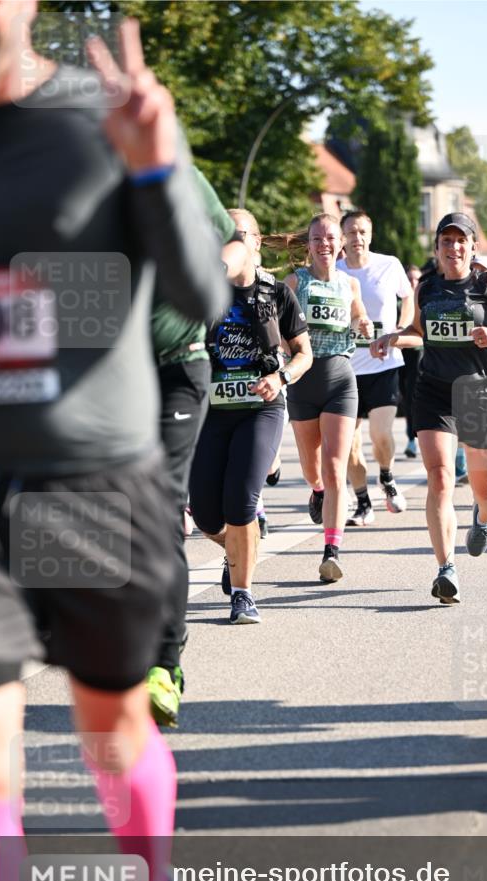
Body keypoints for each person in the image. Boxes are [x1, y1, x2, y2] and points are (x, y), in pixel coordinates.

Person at [0, 7, 228, 881]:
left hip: (87, 479)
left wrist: (156, 169)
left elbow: (205, 297)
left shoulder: (104, 113)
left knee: (113, 731)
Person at [371, 213, 487, 604]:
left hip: (480, 394)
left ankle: (483, 518)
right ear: (438, 249)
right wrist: (394, 338)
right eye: (446, 241)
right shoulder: (426, 289)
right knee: (441, 478)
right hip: (435, 391)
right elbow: (418, 334)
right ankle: (446, 568)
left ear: (473, 247)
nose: (454, 247)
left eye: (461, 240)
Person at [146, 169, 248, 727]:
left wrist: (214, 271)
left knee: (161, 505)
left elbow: (232, 240)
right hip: (102, 370)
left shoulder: (167, 167)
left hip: (178, 365)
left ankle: (165, 662)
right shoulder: (44, 168)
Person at [188, 209, 312, 623]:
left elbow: (303, 354)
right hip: (212, 412)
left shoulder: (277, 293)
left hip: (261, 409)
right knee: (206, 514)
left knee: (240, 503)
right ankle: (240, 550)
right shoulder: (204, 292)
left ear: (256, 243)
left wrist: (282, 377)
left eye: (237, 234)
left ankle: (243, 593)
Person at [284, 214, 372, 582]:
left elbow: (359, 317)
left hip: (339, 378)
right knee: (312, 468)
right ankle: (317, 491)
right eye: (317, 238)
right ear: (309, 245)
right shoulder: (293, 283)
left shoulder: (350, 284)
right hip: (303, 380)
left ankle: (331, 551)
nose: (324, 244)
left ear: (341, 244)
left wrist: (363, 325)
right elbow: (276, 328)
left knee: (336, 466)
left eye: (330, 238)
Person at [337, 211, 414, 525]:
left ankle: (387, 475)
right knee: (349, 445)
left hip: (384, 365)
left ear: (371, 234)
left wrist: (400, 328)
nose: (357, 238)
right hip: (345, 369)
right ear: (342, 237)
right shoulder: (335, 271)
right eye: (351, 232)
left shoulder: (389, 264)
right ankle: (363, 502)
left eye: (362, 232)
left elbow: (408, 298)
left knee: (380, 434)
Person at [403, 263, 424, 458]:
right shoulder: (400, 301)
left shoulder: (425, 297)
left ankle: (413, 439)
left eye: (416, 278)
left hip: (420, 355)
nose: (413, 282)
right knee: (407, 398)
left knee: (415, 397)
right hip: (401, 358)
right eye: (409, 279)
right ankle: (411, 436)